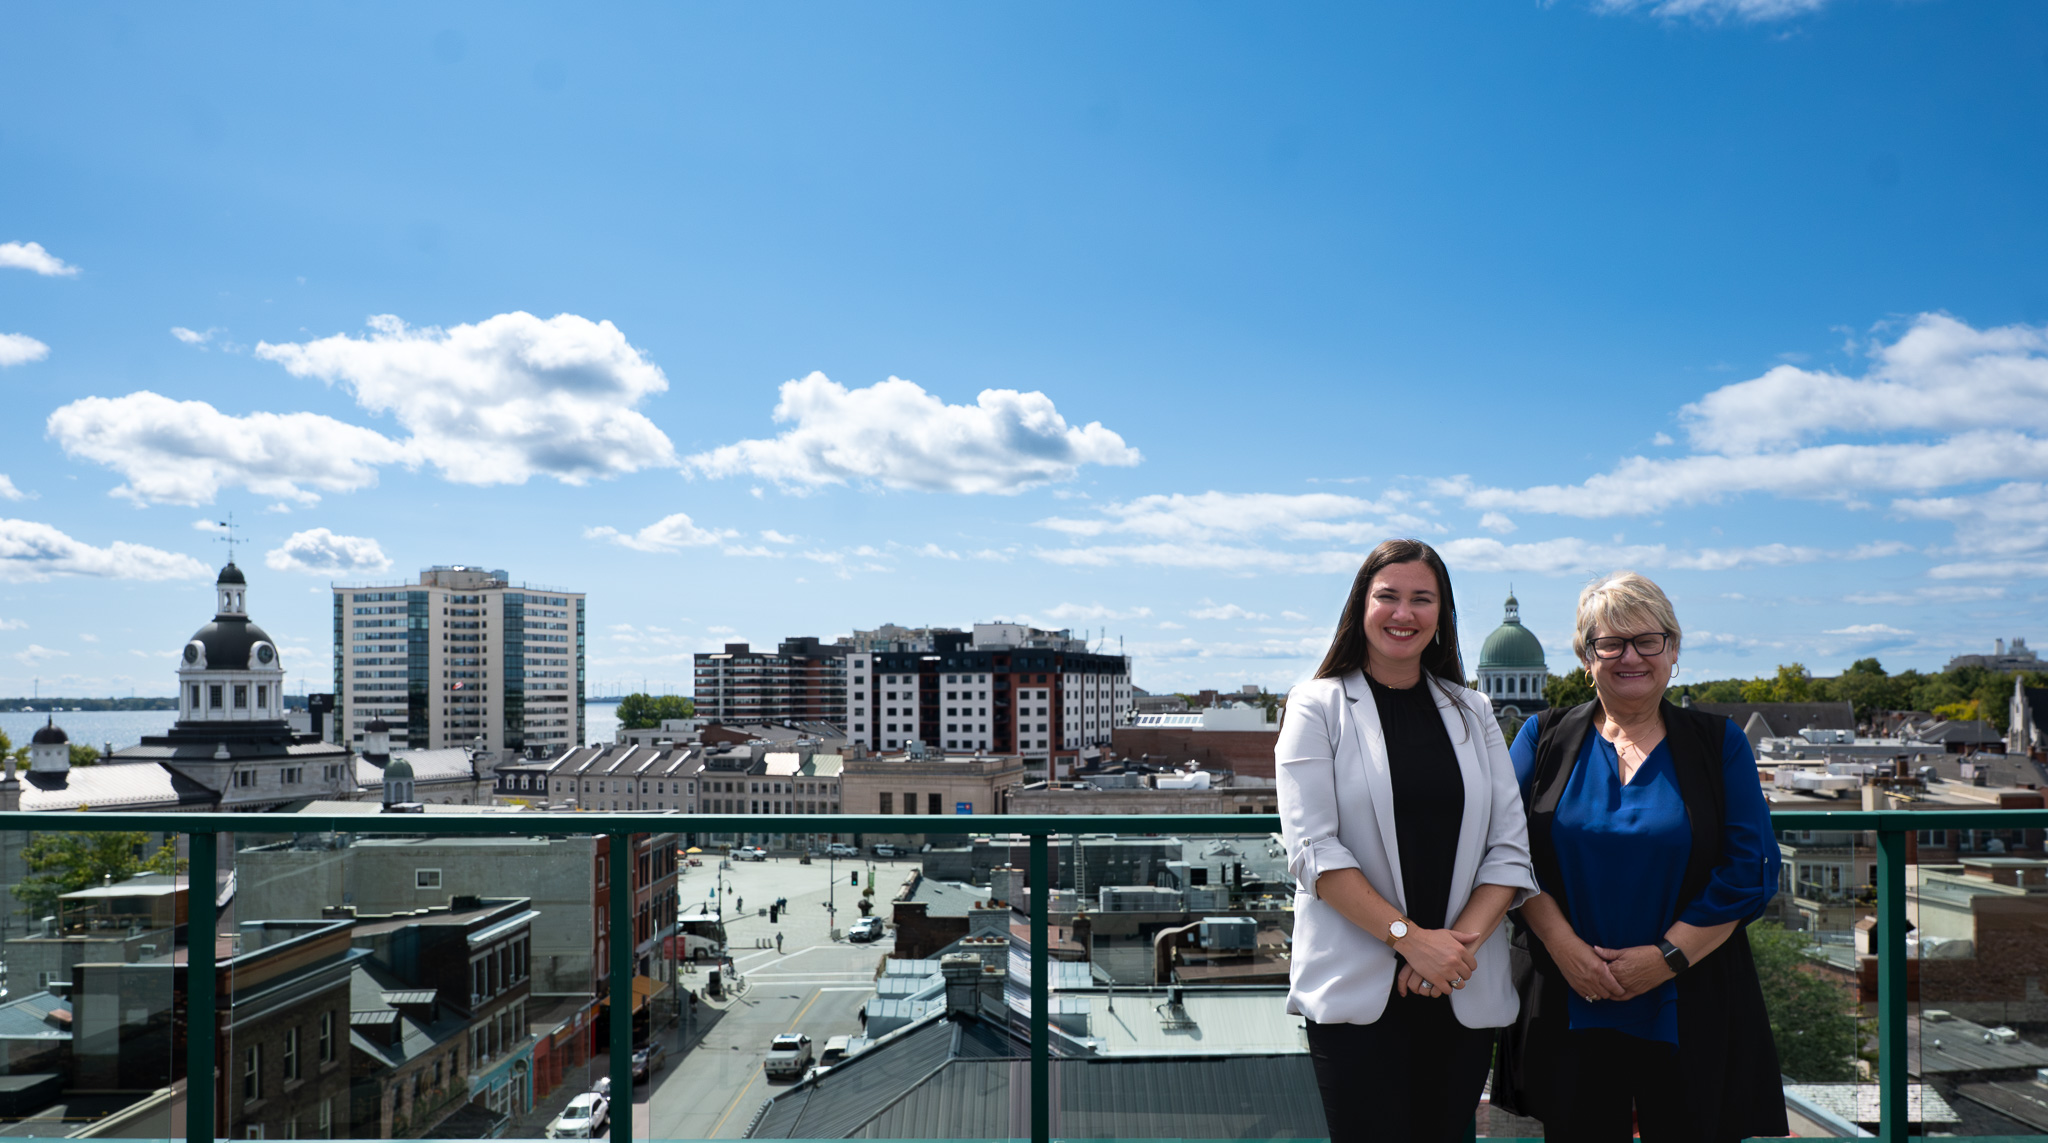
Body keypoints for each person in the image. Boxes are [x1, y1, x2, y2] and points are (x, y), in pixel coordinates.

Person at [1494, 571, 1786, 1142]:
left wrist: (1665, 958)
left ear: (1673, 651)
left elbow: (1749, 868)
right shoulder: (1540, 737)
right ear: (1586, 656)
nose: (1630, 656)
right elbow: (1503, 851)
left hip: (1691, 993)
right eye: (1610, 643)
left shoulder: (1719, 743)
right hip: (1567, 991)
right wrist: (1566, 948)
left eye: (1647, 641)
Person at [1277, 539, 1538, 1143]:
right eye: (1388, 596)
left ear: (1442, 615)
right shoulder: (1316, 705)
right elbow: (1312, 852)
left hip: (1458, 983)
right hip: (1359, 989)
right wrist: (1411, 941)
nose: (1404, 613)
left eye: (1423, 599)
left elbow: (1509, 849)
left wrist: (1446, 954)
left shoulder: (1472, 711)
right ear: (1360, 606)